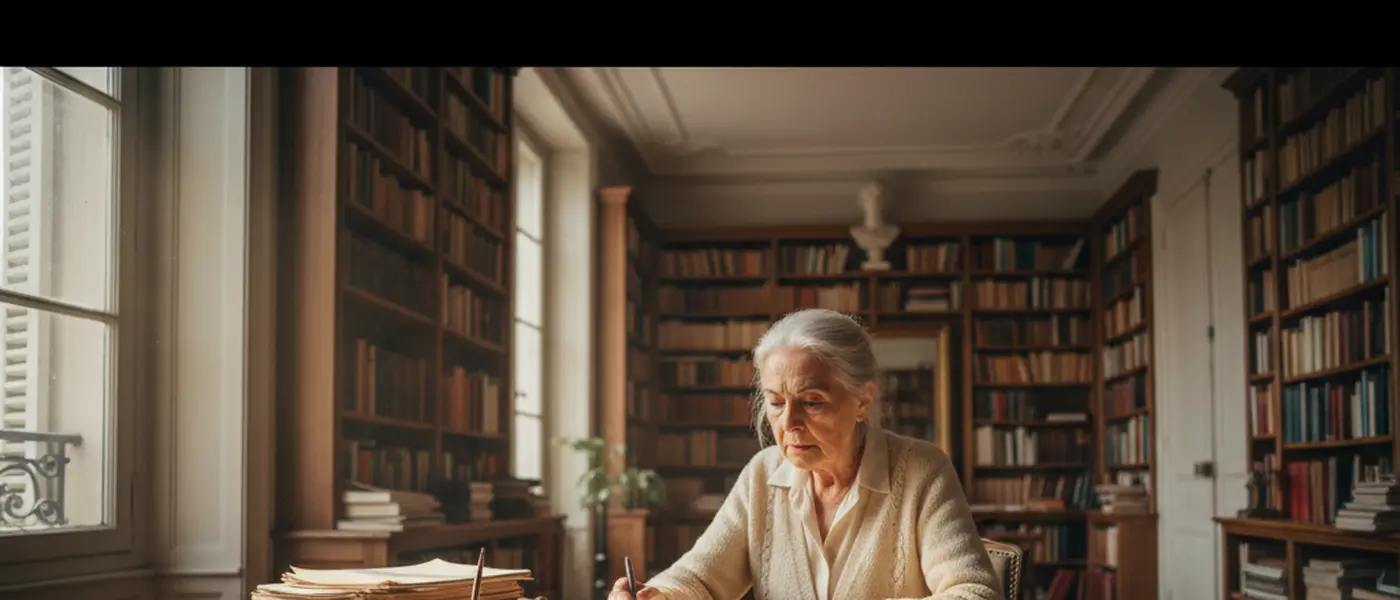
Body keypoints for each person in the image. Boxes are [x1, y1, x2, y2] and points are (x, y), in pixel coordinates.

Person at [609, 308, 1001, 600]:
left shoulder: (922, 470)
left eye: (812, 402)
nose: (789, 422)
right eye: (776, 402)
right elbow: (702, 578)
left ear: (862, 401)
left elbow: (974, 592)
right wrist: (658, 594)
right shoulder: (763, 474)